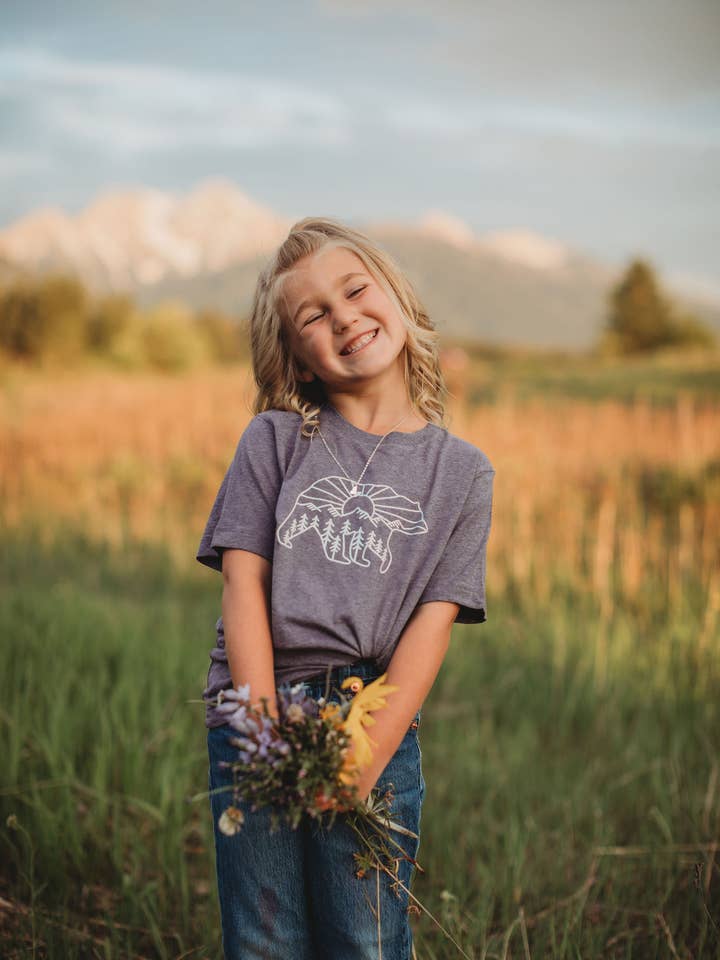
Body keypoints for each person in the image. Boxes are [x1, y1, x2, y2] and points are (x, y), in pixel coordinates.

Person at [196, 217, 495, 960]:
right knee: (266, 938)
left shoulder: (462, 473)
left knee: (366, 939)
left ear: (396, 297)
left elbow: (432, 623)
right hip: (258, 703)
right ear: (296, 359)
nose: (343, 317)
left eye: (356, 291)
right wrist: (261, 724)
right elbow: (243, 581)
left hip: (371, 716)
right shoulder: (274, 440)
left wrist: (370, 754)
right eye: (314, 315)